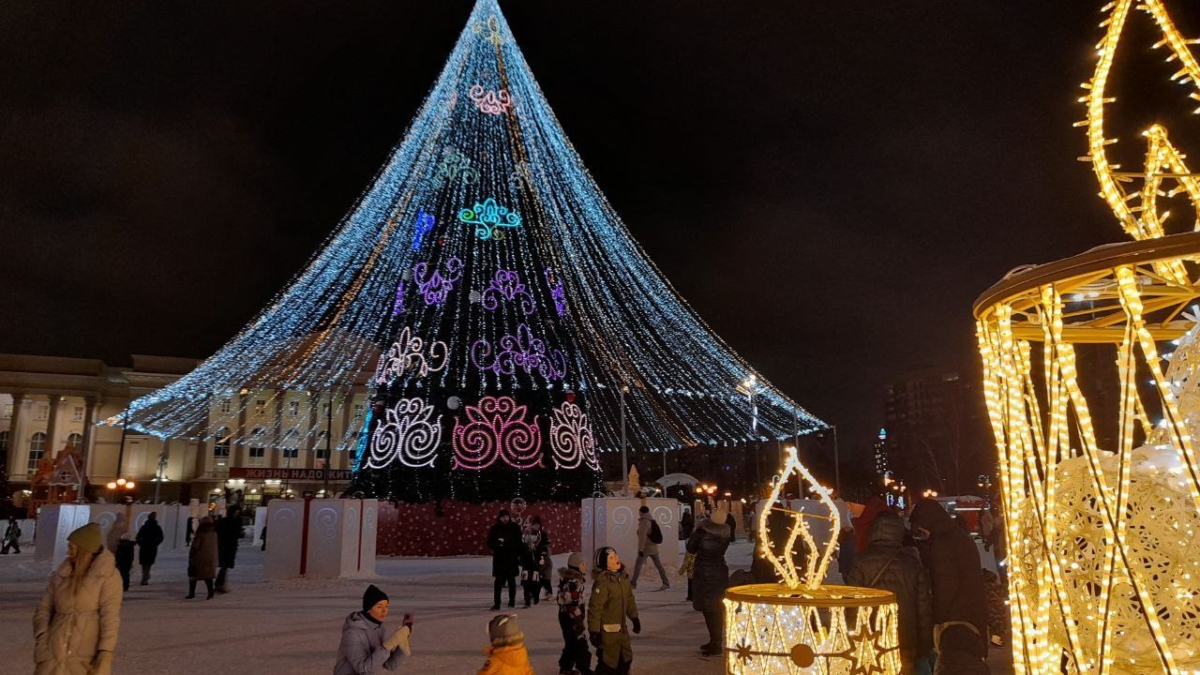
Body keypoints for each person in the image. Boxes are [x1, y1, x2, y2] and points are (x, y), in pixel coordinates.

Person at [845, 511, 932, 674]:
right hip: (905, 640)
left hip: (869, 639)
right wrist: (924, 647)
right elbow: (923, 610)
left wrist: (851, 638)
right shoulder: (912, 563)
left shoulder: (861, 561)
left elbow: (852, 606)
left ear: (874, 531)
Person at [908, 499, 989, 674]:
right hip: (972, 616)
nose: (922, 533)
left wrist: (936, 621)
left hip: (955, 621)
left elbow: (944, 587)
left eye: (921, 528)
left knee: (956, 666)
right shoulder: (960, 538)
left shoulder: (943, 545)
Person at [33, 522, 122, 675]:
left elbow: (110, 617)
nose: (68, 552)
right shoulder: (61, 575)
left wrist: (105, 653)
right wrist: (42, 638)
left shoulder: (108, 576)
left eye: (72, 547)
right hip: (53, 652)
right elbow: (43, 609)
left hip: (85, 656)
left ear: (84, 549)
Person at [334, 584, 411, 675]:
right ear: (368, 609)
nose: (384, 611)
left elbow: (388, 665)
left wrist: (401, 647)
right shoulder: (352, 634)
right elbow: (364, 669)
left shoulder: (379, 629)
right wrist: (389, 645)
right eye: (379, 607)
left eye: (386, 606)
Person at [587, 547, 639, 675]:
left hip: (622, 631)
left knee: (626, 659)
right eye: (611, 557)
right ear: (604, 564)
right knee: (608, 664)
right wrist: (594, 631)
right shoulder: (603, 583)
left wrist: (634, 617)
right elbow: (595, 608)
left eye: (615, 555)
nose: (615, 558)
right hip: (607, 633)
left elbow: (629, 600)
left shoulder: (624, 579)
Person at [687, 505, 731, 656]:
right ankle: (715, 641)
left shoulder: (703, 532)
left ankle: (716, 644)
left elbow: (690, 548)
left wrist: (696, 531)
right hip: (719, 572)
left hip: (705, 573)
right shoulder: (725, 534)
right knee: (715, 609)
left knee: (708, 610)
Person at [556, 552, 591, 675]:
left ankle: (565, 667)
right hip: (571, 618)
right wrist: (577, 617)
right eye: (582, 564)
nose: (585, 566)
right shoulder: (572, 582)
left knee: (571, 643)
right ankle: (584, 668)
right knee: (580, 643)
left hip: (567, 616)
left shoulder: (571, 580)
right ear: (575, 566)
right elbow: (566, 599)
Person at [488, 509, 523, 610]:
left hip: (511, 559)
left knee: (511, 581)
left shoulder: (514, 527)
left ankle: (512, 601)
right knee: (498, 582)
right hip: (499, 559)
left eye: (507, 517)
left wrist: (507, 543)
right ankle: (497, 603)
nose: (505, 519)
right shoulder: (495, 528)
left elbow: (518, 542)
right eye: (503, 517)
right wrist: (498, 544)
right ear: (499, 518)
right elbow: (489, 542)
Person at [631, 506, 669, 591]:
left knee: (638, 566)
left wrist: (640, 549)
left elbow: (642, 537)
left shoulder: (644, 522)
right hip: (654, 547)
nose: (639, 513)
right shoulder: (651, 520)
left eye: (639, 511)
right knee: (659, 565)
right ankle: (666, 582)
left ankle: (633, 583)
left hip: (645, 548)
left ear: (642, 512)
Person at [186, 516, 218, 600]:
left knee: (193, 575)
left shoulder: (201, 533)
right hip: (211, 558)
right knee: (208, 577)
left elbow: (196, 546)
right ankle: (210, 593)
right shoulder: (214, 533)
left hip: (199, 558)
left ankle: (192, 593)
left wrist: (192, 554)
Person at [215, 507, 244, 593]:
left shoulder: (227, 521)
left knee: (225, 566)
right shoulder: (232, 522)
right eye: (236, 512)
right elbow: (236, 534)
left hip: (226, 545)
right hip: (227, 546)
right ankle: (219, 584)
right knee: (225, 565)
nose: (237, 514)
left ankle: (219, 583)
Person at [136, 511, 165, 586]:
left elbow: (138, 537)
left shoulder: (144, 527)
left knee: (144, 563)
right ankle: (145, 577)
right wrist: (156, 543)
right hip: (152, 548)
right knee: (148, 564)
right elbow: (161, 537)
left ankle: (145, 577)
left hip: (144, 547)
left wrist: (141, 543)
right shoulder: (157, 527)